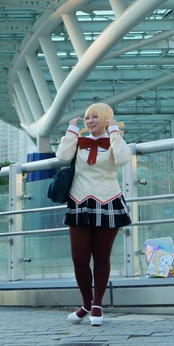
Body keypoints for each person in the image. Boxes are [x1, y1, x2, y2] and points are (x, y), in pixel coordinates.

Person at [55, 102, 132, 326]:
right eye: (88, 118)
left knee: (101, 257)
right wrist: (71, 131)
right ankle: (86, 303)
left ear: (107, 118)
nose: (90, 121)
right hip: (79, 201)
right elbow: (62, 156)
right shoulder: (79, 141)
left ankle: (97, 304)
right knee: (79, 258)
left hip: (108, 201)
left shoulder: (114, 141)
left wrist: (114, 131)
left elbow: (123, 158)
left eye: (95, 117)